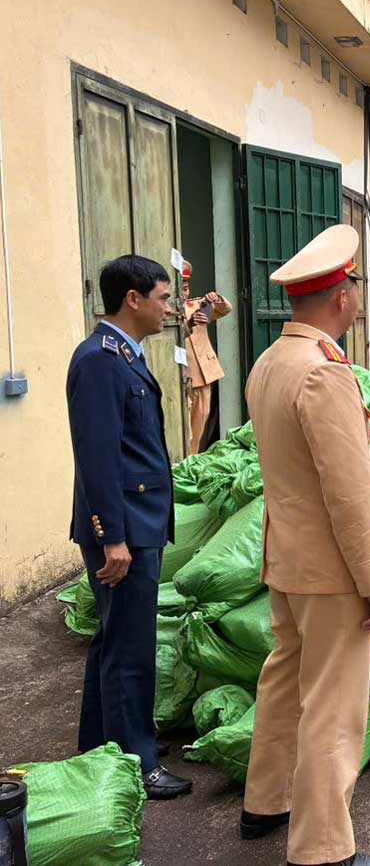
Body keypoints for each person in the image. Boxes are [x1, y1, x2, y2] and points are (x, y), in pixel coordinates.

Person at [240, 224, 370, 866]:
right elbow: (351, 493)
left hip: (288, 560)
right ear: (341, 295)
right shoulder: (323, 373)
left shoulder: (271, 362)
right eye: (357, 283)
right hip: (332, 570)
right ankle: (323, 850)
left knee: (283, 683)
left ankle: (265, 802)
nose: (359, 295)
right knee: (333, 709)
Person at [65, 254, 193, 800]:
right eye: (164, 298)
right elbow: (97, 458)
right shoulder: (99, 359)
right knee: (132, 647)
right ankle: (136, 762)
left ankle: (104, 743)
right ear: (133, 300)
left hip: (137, 524)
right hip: (122, 530)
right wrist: (110, 536)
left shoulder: (124, 355)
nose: (170, 308)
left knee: (115, 640)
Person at [181, 260, 233, 456]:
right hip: (184, 374)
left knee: (200, 421)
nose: (184, 292)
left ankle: (192, 459)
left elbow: (226, 309)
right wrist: (189, 322)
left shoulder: (197, 304)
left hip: (204, 373)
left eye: (186, 288)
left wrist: (216, 298)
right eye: (181, 288)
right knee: (184, 427)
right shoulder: (168, 309)